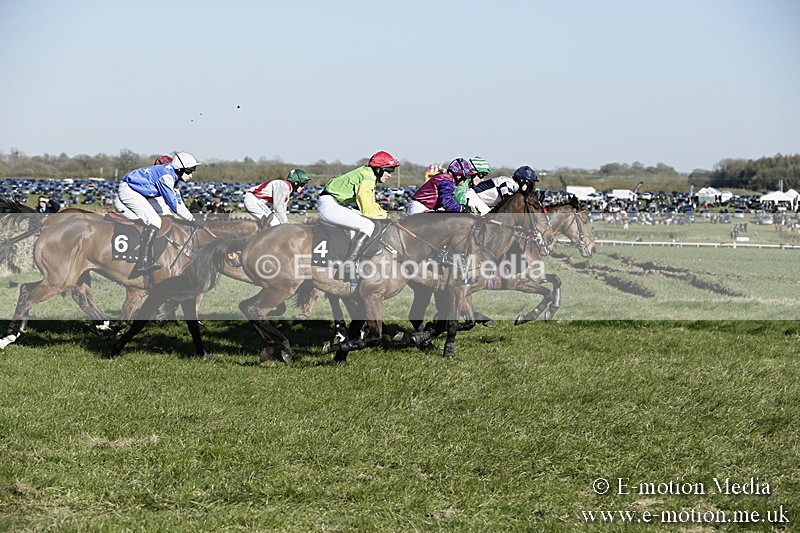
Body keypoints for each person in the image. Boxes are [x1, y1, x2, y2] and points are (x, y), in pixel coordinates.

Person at [116, 151, 200, 277]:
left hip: (139, 191)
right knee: (155, 221)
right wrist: (191, 219)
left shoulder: (173, 177)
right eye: (188, 171)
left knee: (159, 218)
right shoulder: (166, 178)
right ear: (179, 169)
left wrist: (192, 218)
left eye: (192, 171)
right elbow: (174, 206)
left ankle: (147, 258)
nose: (191, 175)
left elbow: (179, 202)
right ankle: (142, 262)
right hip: (130, 190)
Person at [317, 150, 398, 262]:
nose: (390, 175)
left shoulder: (367, 174)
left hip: (332, 203)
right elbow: (367, 209)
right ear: (379, 169)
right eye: (389, 171)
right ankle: (350, 263)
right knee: (368, 225)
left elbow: (371, 204)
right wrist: (386, 216)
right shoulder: (367, 178)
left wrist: (385, 214)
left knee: (364, 221)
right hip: (329, 206)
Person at [405, 158, 477, 215]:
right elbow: (447, 204)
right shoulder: (447, 180)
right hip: (420, 209)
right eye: (466, 177)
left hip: (422, 207)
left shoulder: (446, 178)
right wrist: (463, 208)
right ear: (458, 176)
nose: (465, 180)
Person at [243, 169, 309, 226]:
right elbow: (278, 208)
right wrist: (286, 224)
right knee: (274, 223)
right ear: (295, 183)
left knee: (277, 222)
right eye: (302, 184)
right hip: (253, 199)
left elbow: (282, 210)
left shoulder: (288, 190)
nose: (303, 187)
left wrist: (285, 223)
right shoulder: (284, 186)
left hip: (256, 200)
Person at [464, 165, 539, 215]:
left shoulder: (512, 185)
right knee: (488, 217)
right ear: (522, 180)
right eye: (530, 183)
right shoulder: (508, 183)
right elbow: (507, 201)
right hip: (473, 197)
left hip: (482, 201)